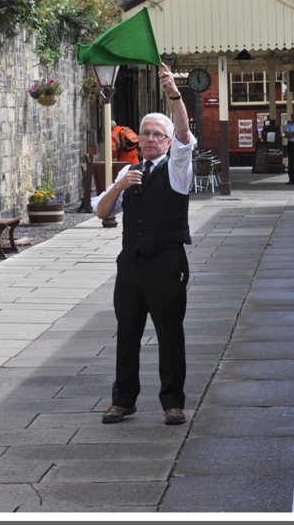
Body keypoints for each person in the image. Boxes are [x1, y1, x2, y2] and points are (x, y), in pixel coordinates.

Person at [91, 62, 196, 425]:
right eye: (145, 133)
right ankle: (123, 400)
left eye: (157, 135)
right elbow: (101, 210)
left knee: (169, 335)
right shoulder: (128, 172)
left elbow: (184, 131)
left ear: (167, 142)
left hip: (166, 262)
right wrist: (119, 185)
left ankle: (173, 402)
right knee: (127, 334)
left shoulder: (177, 167)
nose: (150, 139)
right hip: (131, 265)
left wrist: (173, 92)